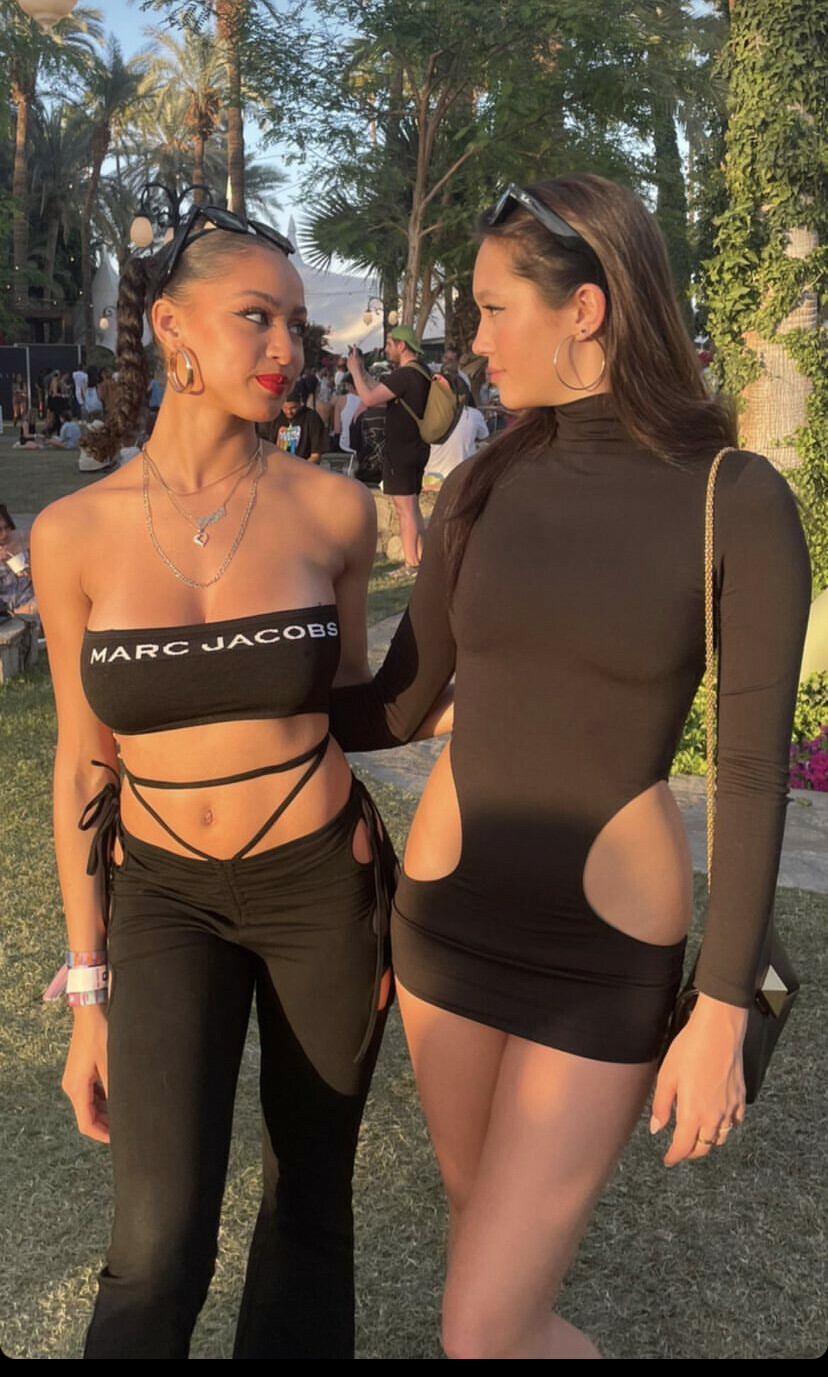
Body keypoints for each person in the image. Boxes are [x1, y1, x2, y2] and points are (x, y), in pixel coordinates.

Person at [329, 174, 811, 1359]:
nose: (475, 341)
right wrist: (223, 700)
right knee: (493, 1281)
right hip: (445, 925)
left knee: (482, 1327)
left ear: (585, 309)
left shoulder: (735, 498)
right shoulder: (482, 484)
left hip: (601, 949)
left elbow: (751, 772)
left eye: (495, 310)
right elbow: (400, 704)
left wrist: (723, 1005)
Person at [29, 203, 408, 1360]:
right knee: (157, 1247)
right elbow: (83, 758)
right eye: (257, 318)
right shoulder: (74, 533)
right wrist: (88, 987)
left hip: (321, 888)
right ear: (173, 328)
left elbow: (359, 705)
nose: (286, 348)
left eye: (295, 323)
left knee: (309, 1211)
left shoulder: (332, 509)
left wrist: (465, 652)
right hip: (163, 897)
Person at [347, 324, 431, 577]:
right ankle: (420, 558)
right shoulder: (421, 372)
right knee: (412, 507)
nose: (386, 349)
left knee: (404, 508)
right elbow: (381, 393)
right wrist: (363, 371)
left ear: (402, 346)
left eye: (389, 344)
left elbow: (370, 399)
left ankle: (411, 563)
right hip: (417, 446)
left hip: (401, 449)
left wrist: (354, 371)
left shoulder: (404, 375)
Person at [422, 376, 489, 489]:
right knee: (484, 447)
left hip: (430, 480)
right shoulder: (474, 414)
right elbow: (484, 436)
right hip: (460, 480)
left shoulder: (426, 414)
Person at [260, 383, 328, 462]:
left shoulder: (312, 418)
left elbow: (316, 455)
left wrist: (301, 468)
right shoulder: (273, 416)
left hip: (303, 464)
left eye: (293, 408)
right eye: (285, 408)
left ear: (300, 403)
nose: (289, 412)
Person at [0, 504, 38, 619]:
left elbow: (40, 578)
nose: (5, 534)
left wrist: (27, 570)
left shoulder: (22, 539)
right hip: (5, 611)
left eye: (7, 527)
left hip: (31, 601)